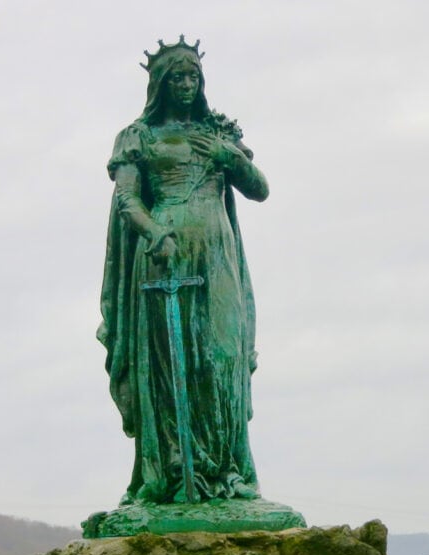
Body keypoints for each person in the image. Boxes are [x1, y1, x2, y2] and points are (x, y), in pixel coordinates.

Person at [97, 37, 269, 505]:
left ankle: (227, 471)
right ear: (160, 84)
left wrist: (228, 155)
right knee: (172, 364)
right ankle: (174, 469)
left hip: (217, 257)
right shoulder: (140, 137)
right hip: (163, 256)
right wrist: (153, 231)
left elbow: (260, 190)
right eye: (177, 77)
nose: (187, 84)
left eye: (193, 76)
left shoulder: (218, 134)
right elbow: (127, 200)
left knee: (220, 358)